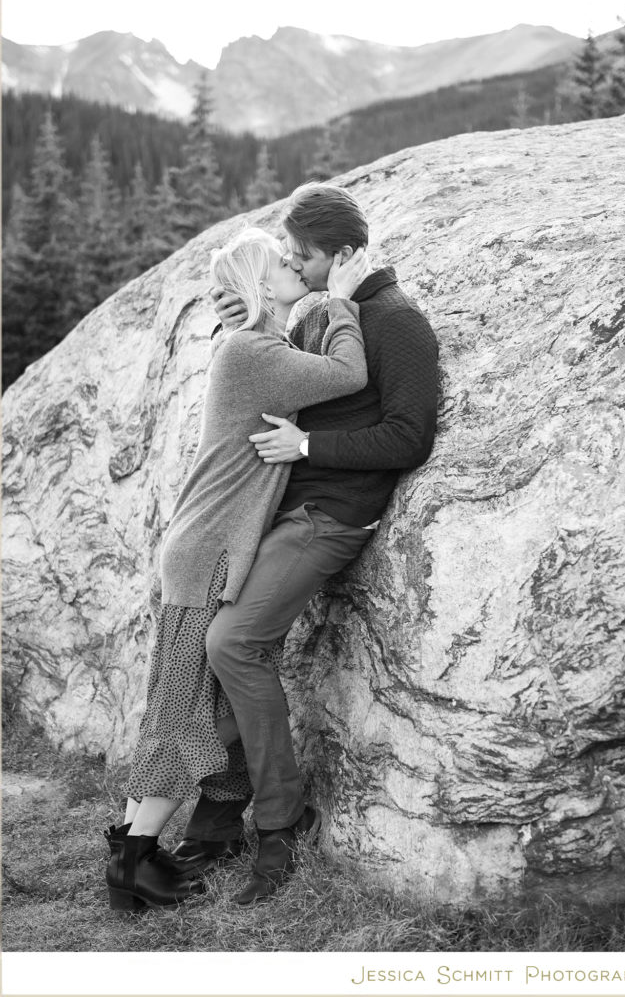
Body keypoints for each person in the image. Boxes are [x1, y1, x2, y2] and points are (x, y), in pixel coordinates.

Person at [170, 183, 440, 906]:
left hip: (330, 516)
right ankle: (221, 815)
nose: (291, 260)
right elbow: (269, 373)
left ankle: (280, 825)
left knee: (232, 643)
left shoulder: (397, 323)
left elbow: (409, 437)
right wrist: (243, 315)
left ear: (344, 255)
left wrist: (308, 443)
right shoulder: (324, 312)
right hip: (282, 514)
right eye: (286, 252)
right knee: (205, 646)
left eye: (302, 254)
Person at [104, 226, 371, 912]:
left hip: (202, 548)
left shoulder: (250, 346)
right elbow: (348, 375)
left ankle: (137, 845)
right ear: (261, 285)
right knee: (184, 714)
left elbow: (285, 353)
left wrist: (263, 312)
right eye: (280, 264)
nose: (293, 266)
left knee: (187, 704)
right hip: (206, 555)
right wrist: (339, 299)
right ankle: (134, 862)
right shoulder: (255, 351)